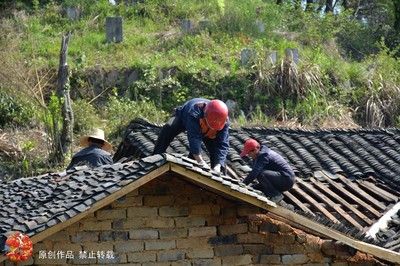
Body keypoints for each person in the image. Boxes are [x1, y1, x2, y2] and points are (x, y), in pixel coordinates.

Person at [153, 98, 230, 173]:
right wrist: (201, 162)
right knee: (168, 128)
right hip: (183, 117)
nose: (212, 127)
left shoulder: (224, 120)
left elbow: (223, 145)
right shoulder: (194, 112)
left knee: (219, 161)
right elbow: (194, 138)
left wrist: (218, 166)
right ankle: (154, 160)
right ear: (205, 115)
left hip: (208, 133)